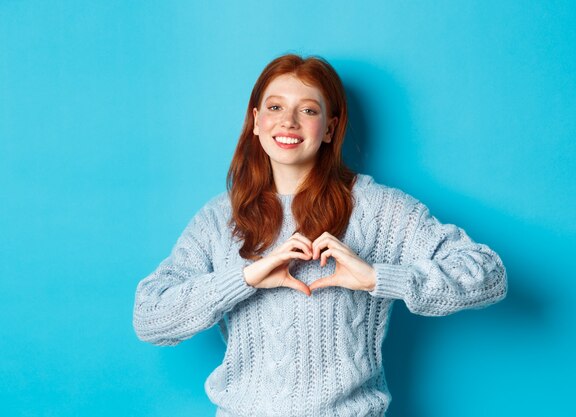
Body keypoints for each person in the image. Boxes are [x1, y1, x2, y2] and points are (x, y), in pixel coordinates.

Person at [133, 54, 507, 417]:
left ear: (329, 128)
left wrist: (378, 277)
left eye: (308, 110)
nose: (289, 122)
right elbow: (149, 317)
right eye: (275, 108)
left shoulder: (380, 209)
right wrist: (245, 278)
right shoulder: (219, 218)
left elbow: (488, 275)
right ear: (256, 121)